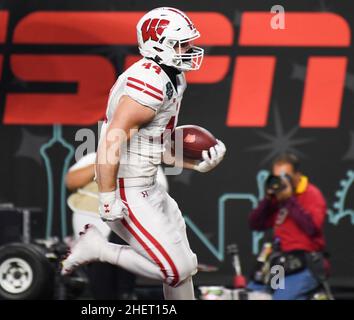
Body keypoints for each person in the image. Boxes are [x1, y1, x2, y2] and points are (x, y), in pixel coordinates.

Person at [61, 7, 226, 300]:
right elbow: (111, 140)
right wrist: (108, 197)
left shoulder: (172, 77)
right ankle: (98, 248)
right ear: (158, 44)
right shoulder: (149, 83)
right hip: (128, 189)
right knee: (175, 269)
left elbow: (153, 146)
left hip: (146, 184)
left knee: (185, 268)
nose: (189, 49)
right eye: (182, 43)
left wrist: (194, 164)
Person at [66, 152, 169, 299]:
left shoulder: (144, 160)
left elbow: (159, 192)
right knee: (100, 283)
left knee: (123, 277)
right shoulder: (95, 157)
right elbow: (71, 181)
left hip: (125, 227)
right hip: (93, 229)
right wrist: (105, 164)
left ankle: (125, 294)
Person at [247, 153, 329, 300]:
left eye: (286, 176)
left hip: (304, 265)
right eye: (277, 176)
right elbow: (255, 224)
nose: (281, 180)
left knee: (281, 298)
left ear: (297, 175)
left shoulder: (311, 194)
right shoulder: (278, 199)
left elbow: (312, 228)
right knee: (259, 295)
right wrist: (268, 200)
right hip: (280, 265)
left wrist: (290, 199)